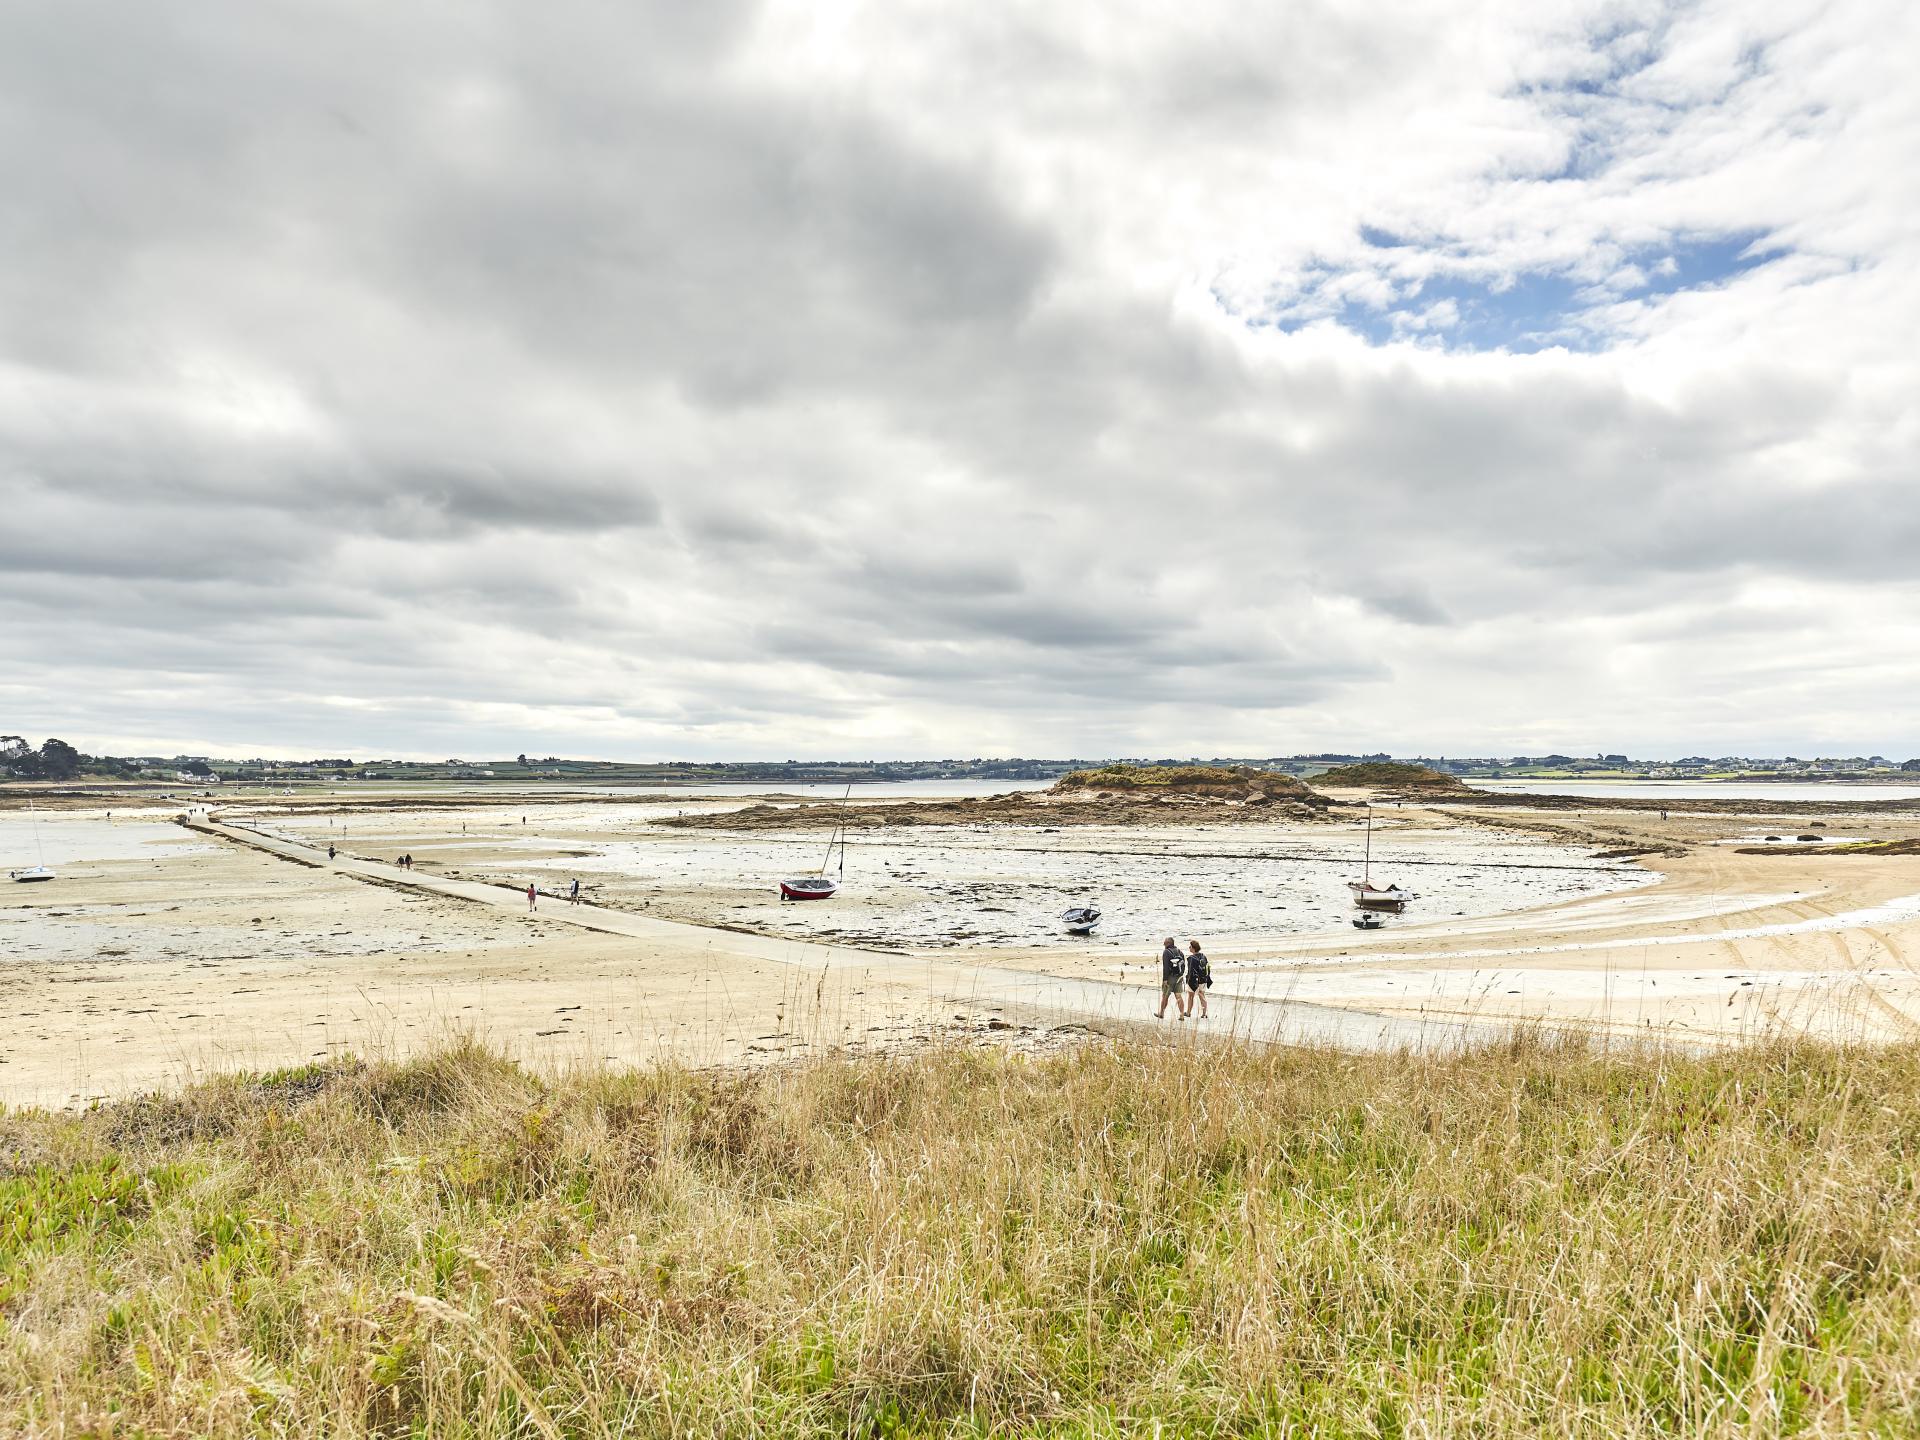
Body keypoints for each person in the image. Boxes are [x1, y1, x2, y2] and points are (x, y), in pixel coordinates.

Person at [1156, 937, 1188, 1020]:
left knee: (1165, 996)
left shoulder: (1166, 952)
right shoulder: (1179, 951)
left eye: (1164, 943)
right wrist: (1181, 975)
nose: (1163, 944)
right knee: (1178, 996)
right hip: (1179, 977)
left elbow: (1165, 967)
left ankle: (1161, 1013)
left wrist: (1165, 979)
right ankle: (1181, 1014)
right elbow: (1183, 965)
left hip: (1170, 977)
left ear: (1168, 943)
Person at [1186, 939, 1213, 1019]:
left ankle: (1188, 1012)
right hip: (1204, 980)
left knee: (1191, 996)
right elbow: (1207, 967)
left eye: (1190, 946)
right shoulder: (1203, 956)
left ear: (1193, 948)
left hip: (1195, 981)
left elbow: (1191, 972)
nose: (1189, 947)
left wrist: (1189, 981)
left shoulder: (1191, 958)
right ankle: (1204, 1013)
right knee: (1202, 995)